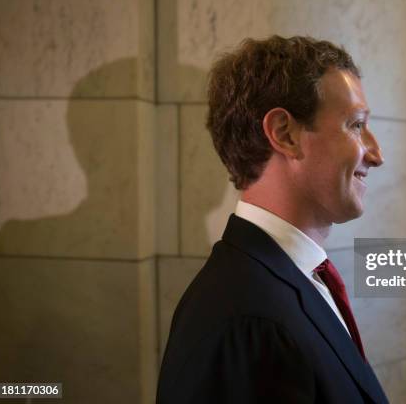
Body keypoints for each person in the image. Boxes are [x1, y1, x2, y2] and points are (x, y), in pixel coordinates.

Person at [157, 35, 387, 403]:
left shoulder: (290, 281)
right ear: (284, 134)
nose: (376, 154)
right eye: (356, 125)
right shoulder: (245, 320)